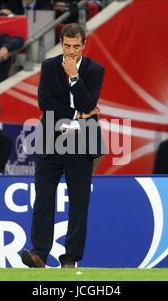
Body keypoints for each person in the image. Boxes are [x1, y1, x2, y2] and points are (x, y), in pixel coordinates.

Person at [21, 23, 105, 269]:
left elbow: (90, 102)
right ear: (61, 43)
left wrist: (74, 77)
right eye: (67, 46)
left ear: (84, 45)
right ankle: (39, 254)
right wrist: (78, 115)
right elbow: (45, 103)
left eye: (76, 46)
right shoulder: (48, 66)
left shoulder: (95, 69)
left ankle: (70, 258)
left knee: (79, 202)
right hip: (51, 138)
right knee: (43, 197)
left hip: (83, 140)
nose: (71, 51)